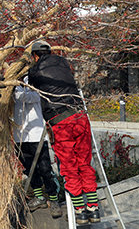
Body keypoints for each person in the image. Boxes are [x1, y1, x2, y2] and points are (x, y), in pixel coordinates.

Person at [26, 40, 100, 225]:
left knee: (69, 167)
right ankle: (93, 208)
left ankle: (80, 211)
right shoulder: (64, 62)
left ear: (35, 55)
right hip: (80, 117)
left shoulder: (34, 71)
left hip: (60, 122)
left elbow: (31, 84)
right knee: (84, 163)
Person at [13, 80, 62, 218]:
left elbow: (28, 97)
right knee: (29, 169)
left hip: (37, 135)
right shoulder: (14, 88)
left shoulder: (34, 83)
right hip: (20, 135)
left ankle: (53, 200)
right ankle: (39, 197)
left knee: (45, 169)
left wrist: (13, 88)